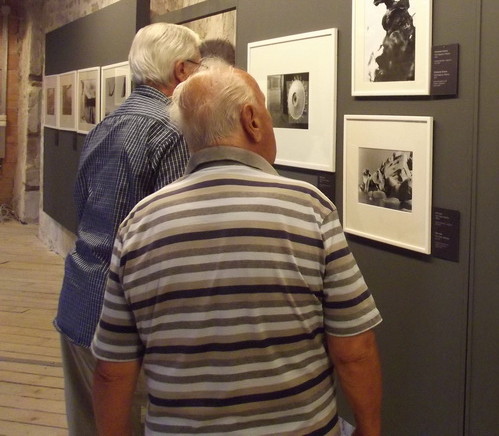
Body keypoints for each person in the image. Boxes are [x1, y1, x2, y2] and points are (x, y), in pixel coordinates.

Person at [91, 62, 383, 436]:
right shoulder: (310, 209)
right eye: (265, 110)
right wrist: (370, 429)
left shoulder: (139, 223)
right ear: (252, 121)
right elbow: (353, 349)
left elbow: (112, 371)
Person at [54, 22, 202, 436]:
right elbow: (173, 237)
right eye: (198, 64)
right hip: (128, 325)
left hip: (80, 301)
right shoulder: (173, 129)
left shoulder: (106, 124)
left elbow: (82, 206)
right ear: (180, 71)